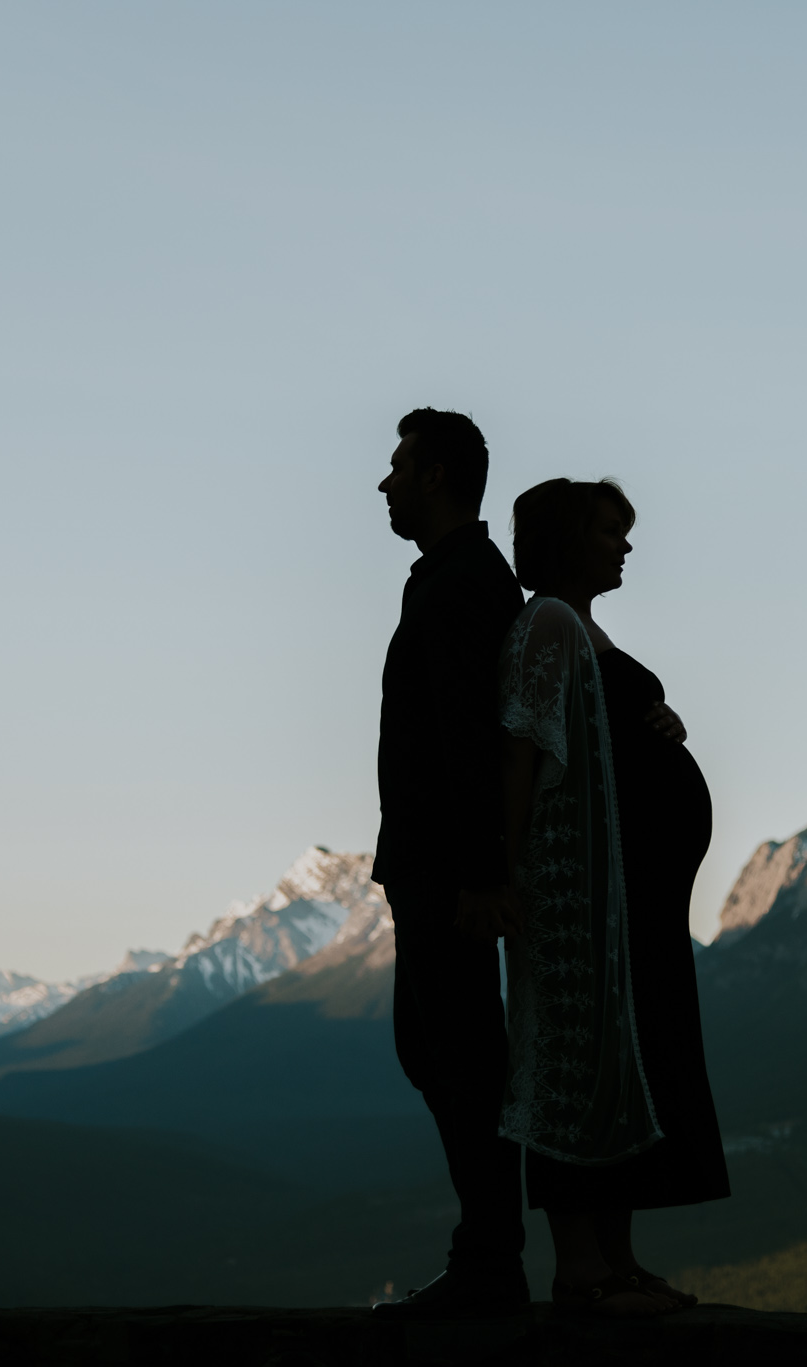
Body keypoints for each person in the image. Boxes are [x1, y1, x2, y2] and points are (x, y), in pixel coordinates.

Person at [496, 478, 731, 1317]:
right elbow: (522, 745)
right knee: (580, 1066)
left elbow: (600, 726)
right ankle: (581, 1270)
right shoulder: (550, 623)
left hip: (635, 901)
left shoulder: (584, 629)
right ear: (567, 539)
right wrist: (510, 874)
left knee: (629, 1067)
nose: (624, 546)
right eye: (608, 532)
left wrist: (660, 719)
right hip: (585, 898)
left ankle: (620, 1263)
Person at [370, 408, 530, 1320]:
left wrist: (480, 876)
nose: (385, 483)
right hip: (431, 864)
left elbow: (474, 737)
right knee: (433, 1050)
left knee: (459, 1056)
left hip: (446, 871)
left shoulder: (463, 584)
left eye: (398, 467)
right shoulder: (445, 578)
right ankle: (485, 1253)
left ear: (436, 477)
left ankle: (489, 1262)